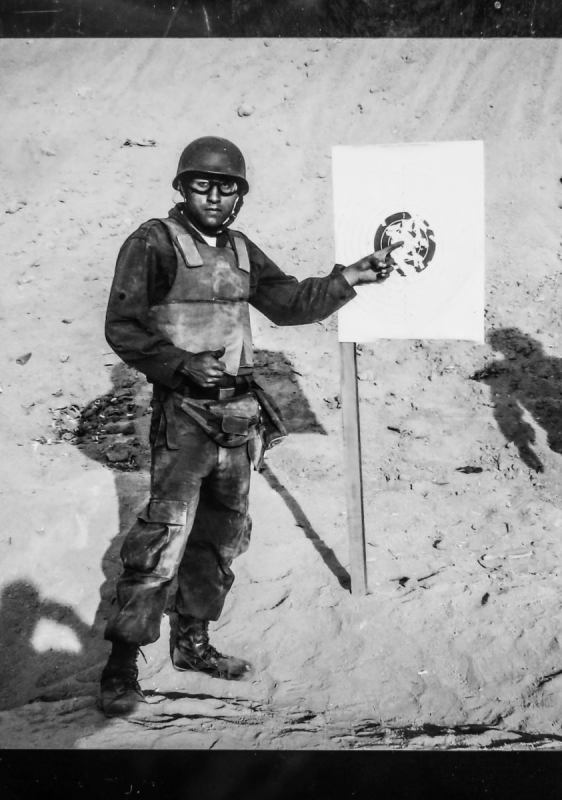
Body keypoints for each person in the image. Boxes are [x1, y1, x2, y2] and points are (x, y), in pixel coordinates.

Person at [98, 136, 400, 715]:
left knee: (221, 535)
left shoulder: (239, 248)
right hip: (183, 415)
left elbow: (289, 304)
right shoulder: (153, 242)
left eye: (226, 188)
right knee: (163, 536)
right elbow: (124, 326)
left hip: (239, 416)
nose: (213, 197)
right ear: (182, 189)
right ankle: (120, 668)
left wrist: (351, 277)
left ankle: (192, 644)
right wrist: (182, 364)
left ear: (239, 196)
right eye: (202, 186)